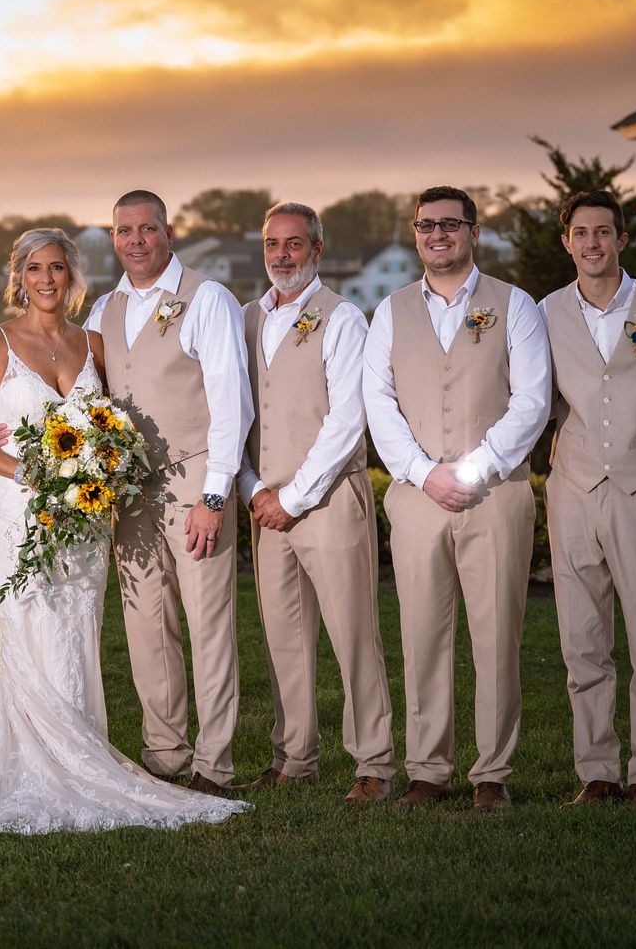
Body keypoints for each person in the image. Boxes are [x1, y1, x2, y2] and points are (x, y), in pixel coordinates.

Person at [0, 228, 249, 831]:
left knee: (76, 632)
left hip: (85, 521)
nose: (46, 279)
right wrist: (29, 471)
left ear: (72, 276)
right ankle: (38, 763)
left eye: (58, 269)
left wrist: (100, 464)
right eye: (35, 269)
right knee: (30, 631)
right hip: (20, 513)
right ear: (19, 277)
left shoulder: (92, 341)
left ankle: (82, 748)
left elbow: (113, 423)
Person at [363, 186, 550, 811]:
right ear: (415, 235)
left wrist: (472, 469)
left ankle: (491, 772)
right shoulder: (388, 311)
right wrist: (421, 472)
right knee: (421, 632)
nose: (437, 234)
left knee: (497, 633)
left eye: (449, 224)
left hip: (495, 494)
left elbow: (532, 401)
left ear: (473, 231)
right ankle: (427, 769)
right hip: (417, 497)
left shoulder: (514, 306)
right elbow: (378, 403)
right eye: (425, 225)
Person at [85, 190, 252, 795]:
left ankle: (215, 762)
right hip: (129, 491)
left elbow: (232, 403)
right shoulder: (103, 308)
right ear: (113, 239)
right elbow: (78, 395)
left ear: (169, 232)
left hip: (193, 477)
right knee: (145, 623)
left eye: (146, 229)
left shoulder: (206, 298)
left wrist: (214, 497)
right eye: (124, 230)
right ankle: (166, 752)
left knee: (208, 622)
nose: (135, 240)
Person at [539, 189, 636, 806]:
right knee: (581, 639)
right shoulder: (546, 311)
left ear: (623, 240)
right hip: (571, 488)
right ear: (567, 241)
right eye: (581, 233)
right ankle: (597, 771)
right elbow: (534, 398)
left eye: (604, 232)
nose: (592, 244)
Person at [238, 202, 395, 803]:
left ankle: (375, 763)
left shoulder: (343, 318)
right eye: (273, 244)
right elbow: (238, 414)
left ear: (317, 251)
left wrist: (294, 497)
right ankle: (293, 755)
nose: (282, 255)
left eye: (295, 244)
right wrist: (253, 489)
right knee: (283, 636)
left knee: (354, 633)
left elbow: (347, 420)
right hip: (265, 503)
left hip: (327, 499)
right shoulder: (248, 319)